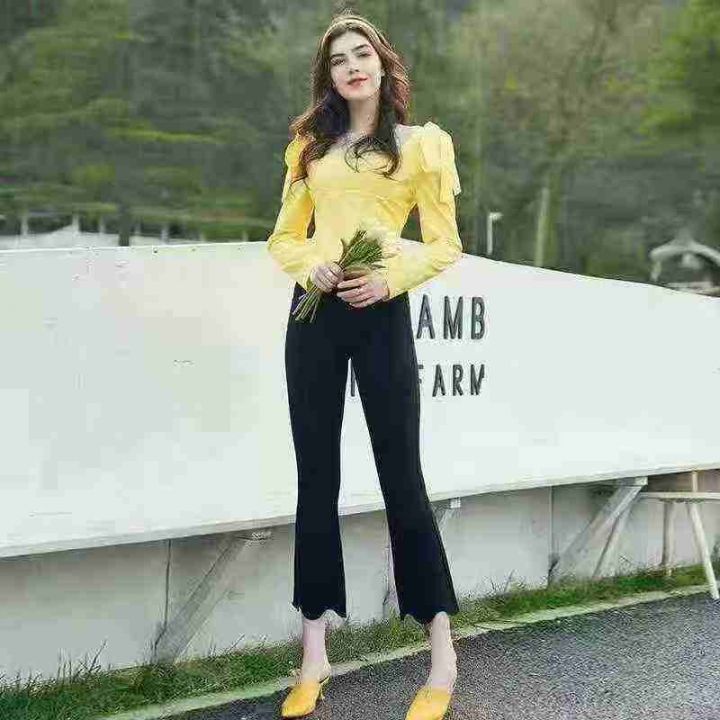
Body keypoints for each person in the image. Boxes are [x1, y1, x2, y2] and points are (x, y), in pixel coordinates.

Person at [266, 12, 463, 720]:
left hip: (380, 312)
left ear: (383, 64)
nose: (352, 66)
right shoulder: (310, 147)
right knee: (315, 479)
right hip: (313, 315)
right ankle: (313, 657)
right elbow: (283, 238)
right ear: (329, 75)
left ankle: (441, 657)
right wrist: (310, 267)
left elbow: (443, 245)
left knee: (401, 477)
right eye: (339, 59)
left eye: (362, 54)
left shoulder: (419, 146)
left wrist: (389, 279)